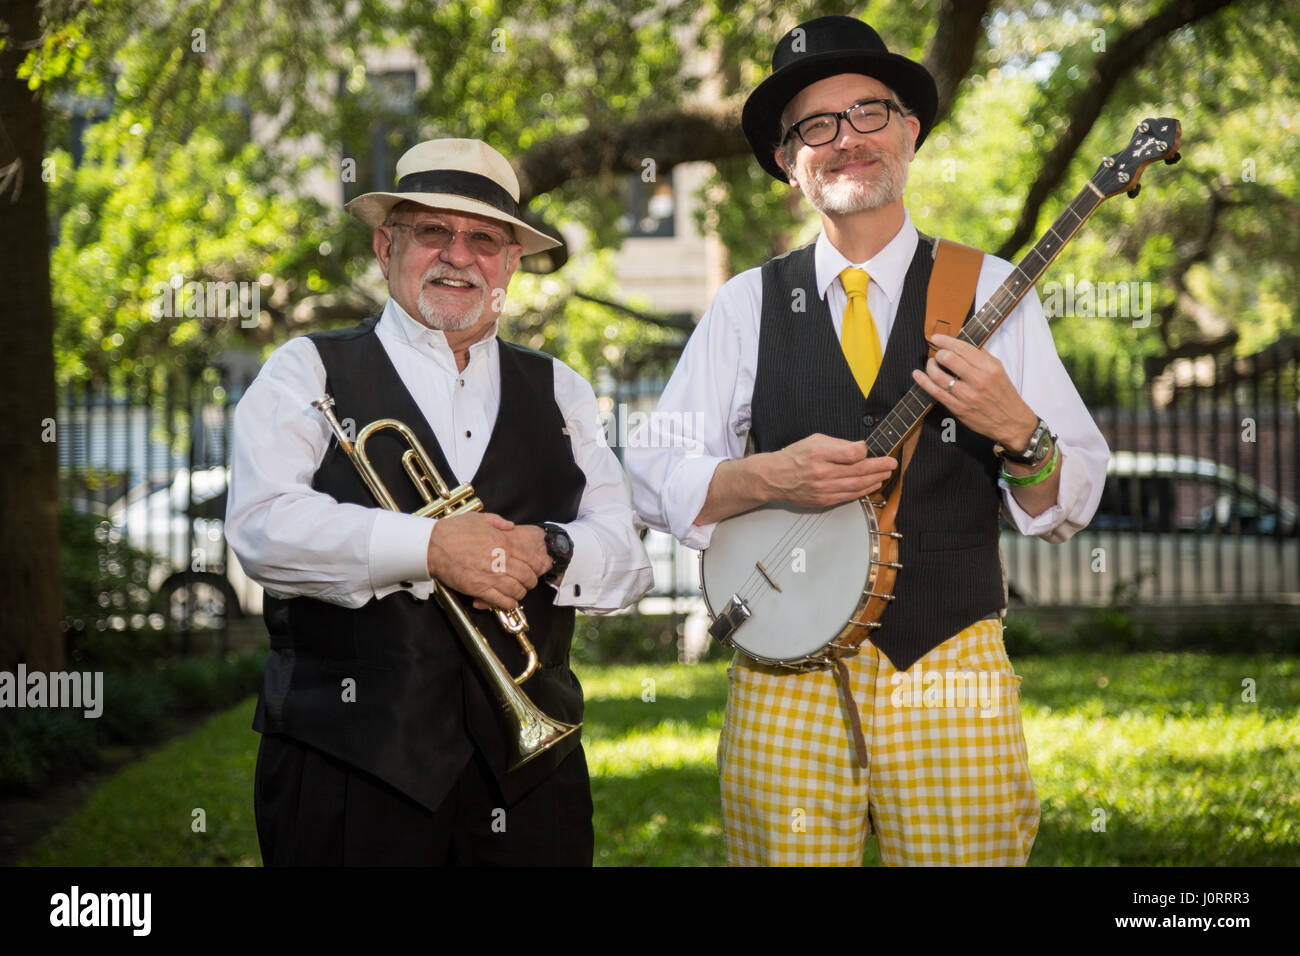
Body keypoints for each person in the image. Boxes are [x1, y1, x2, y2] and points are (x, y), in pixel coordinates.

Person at [625, 16, 1110, 866]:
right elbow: (652, 469)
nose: (846, 140)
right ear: (788, 161)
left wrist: (1020, 432)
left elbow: (1062, 504)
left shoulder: (988, 287)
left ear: (910, 131)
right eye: (816, 126)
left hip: (949, 661)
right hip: (783, 670)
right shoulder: (748, 304)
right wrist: (766, 479)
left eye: (869, 113)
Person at [227, 138, 653, 866]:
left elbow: (630, 557)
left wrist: (551, 547)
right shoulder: (306, 369)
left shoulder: (561, 389)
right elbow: (262, 528)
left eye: (485, 239)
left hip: (531, 783)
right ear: (386, 245)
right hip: (349, 772)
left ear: (511, 263)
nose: (460, 256)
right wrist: (428, 549)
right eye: (434, 232)